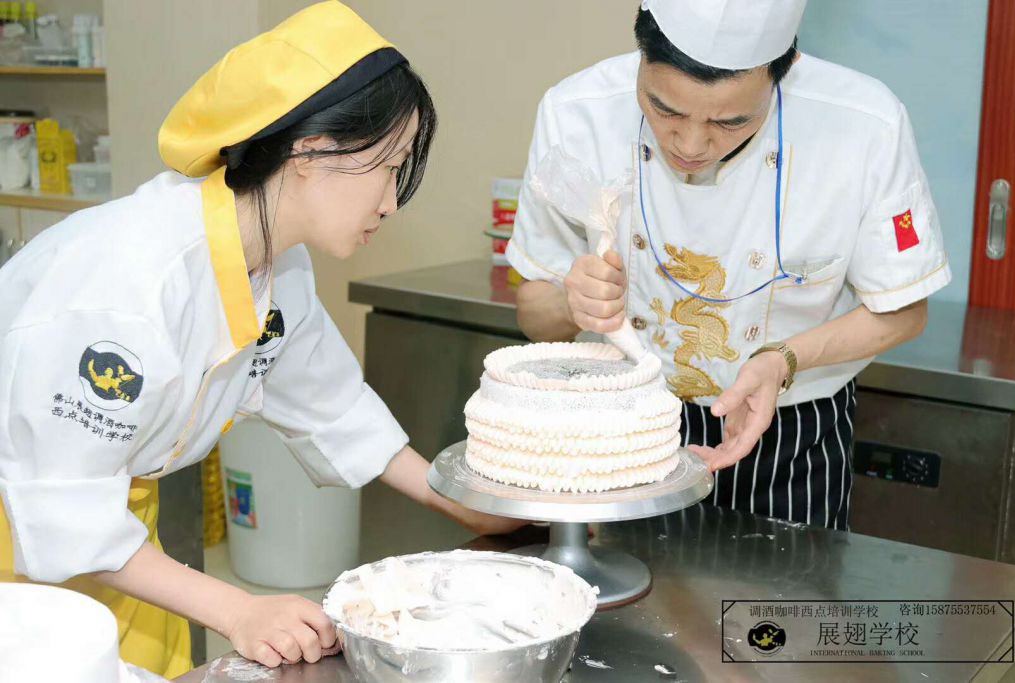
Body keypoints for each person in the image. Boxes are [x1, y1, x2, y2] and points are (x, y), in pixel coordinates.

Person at [0, 2, 519, 676]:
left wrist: (463, 504)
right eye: (388, 167)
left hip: (120, 543)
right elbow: (62, 506)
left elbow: (333, 404)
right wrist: (239, 610)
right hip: (21, 534)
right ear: (311, 150)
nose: (391, 202)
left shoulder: (275, 265)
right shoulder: (125, 286)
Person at [509, 0, 949, 531]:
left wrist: (784, 358)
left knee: (785, 587)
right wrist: (571, 302)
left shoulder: (864, 123)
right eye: (664, 109)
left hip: (791, 438)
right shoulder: (577, 111)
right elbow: (533, 315)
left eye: (730, 121)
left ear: (783, 70)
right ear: (640, 55)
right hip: (622, 426)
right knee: (614, 582)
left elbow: (903, 312)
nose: (691, 144)